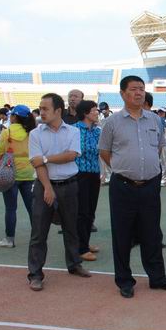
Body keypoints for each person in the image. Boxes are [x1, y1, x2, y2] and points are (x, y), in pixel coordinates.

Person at [98, 76, 166, 298]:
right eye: (134, 89)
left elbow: (159, 148)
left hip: (150, 185)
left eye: (142, 89)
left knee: (152, 233)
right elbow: (104, 151)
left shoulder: (155, 120)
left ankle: (157, 278)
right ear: (122, 93)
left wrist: (144, 169)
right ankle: (124, 281)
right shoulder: (112, 122)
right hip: (123, 186)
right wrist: (123, 168)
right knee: (122, 234)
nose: (139, 93)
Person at [27, 93, 90, 291]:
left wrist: (46, 158)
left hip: (69, 185)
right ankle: (35, 274)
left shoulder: (72, 131)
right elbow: (36, 163)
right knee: (39, 232)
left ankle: (74, 264)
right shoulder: (35, 134)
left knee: (71, 228)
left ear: (58, 111)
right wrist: (47, 188)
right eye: (40, 108)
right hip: (44, 186)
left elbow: (71, 155)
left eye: (45, 109)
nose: (41, 112)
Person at [0, 105, 36, 248]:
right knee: (32, 207)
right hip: (29, 173)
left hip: (10, 173)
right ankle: (37, 236)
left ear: (14, 117)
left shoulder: (7, 132)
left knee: (11, 208)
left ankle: (9, 239)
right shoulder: (32, 132)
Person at [74, 100, 102, 261]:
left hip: (94, 173)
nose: (97, 113)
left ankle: (85, 242)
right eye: (93, 110)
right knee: (82, 211)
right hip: (80, 174)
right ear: (85, 113)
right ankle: (81, 248)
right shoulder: (74, 130)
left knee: (91, 210)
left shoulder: (97, 131)